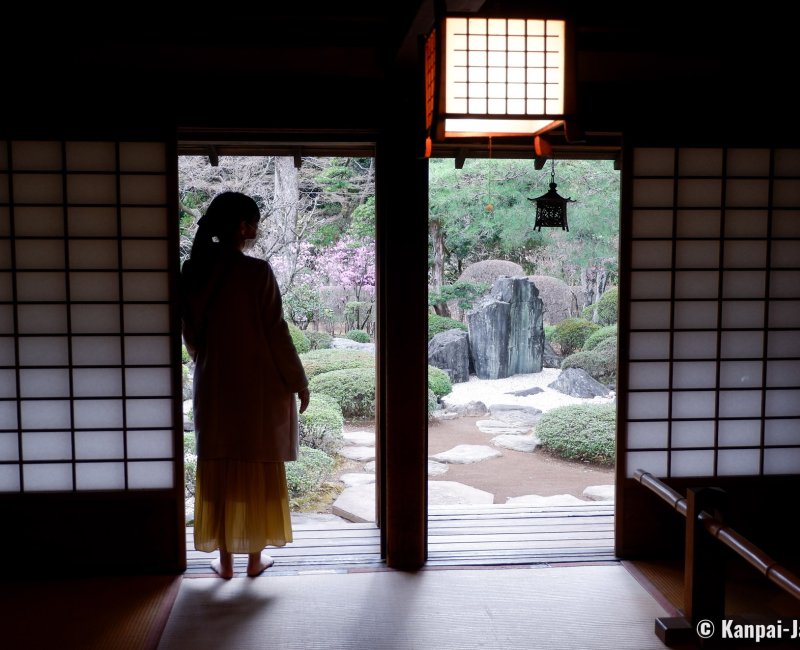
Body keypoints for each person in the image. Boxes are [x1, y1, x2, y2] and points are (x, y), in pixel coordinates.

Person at [181, 191, 310, 579]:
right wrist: (298, 381)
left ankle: (225, 562)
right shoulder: (256, 272)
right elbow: (276, 333)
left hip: (215, 383)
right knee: (255, 464)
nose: (257, 229)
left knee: (222, 465)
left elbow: (191, 338)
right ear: (243, 227)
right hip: (258, 385)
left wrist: (211, 358)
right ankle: (255, 559)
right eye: (255, 223)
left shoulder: (194, 271)